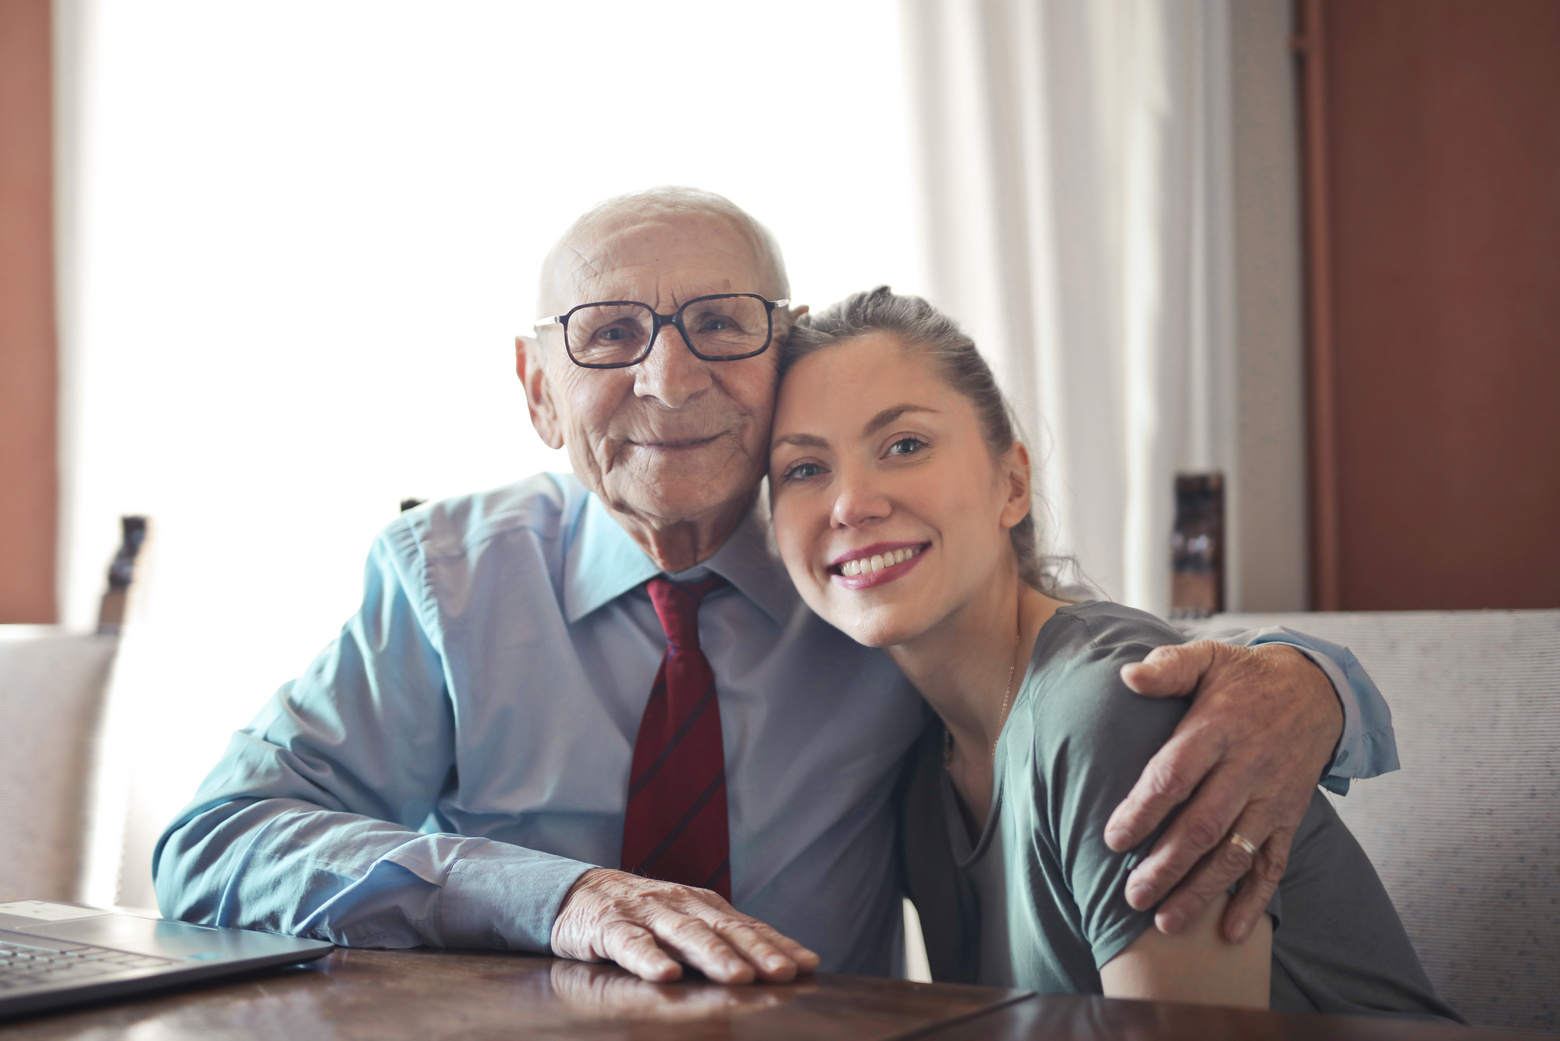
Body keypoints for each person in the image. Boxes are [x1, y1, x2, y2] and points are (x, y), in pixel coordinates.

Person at [154, 188, 1399, 985]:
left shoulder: (864, 579)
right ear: (538, 392)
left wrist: (1312, 683)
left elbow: (1081, 669)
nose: (669, 375)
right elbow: (211, 843)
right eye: (606, 335)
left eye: (720, 323)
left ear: (777, 359)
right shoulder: (445, 585)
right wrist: (560, 898)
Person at [767, 286, 1456, 1016]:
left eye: (904, 445)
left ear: (1012, 482)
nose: (850, 503)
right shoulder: (918, 770)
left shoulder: (1114, 708)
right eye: (804, 469)